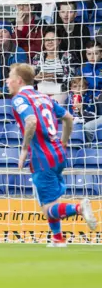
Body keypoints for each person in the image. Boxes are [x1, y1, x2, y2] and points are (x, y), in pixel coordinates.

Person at [8, 63, 97, 247]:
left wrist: (24, 150)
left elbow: (31, 121)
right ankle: (58, 238)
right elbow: (68, 118)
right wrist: (64, 142)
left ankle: (78, 208)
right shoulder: (44, 97)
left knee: (48, 208)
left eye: (9, 77)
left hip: (41, 157)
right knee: (50, 200)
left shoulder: (19, 99)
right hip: (58, 153)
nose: (7, 81)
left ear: (18, 80)